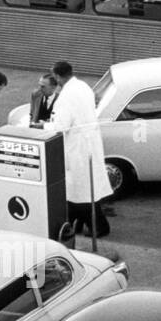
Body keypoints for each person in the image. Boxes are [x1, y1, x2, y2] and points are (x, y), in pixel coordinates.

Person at [51, 60, 113, 238]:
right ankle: (75, 223)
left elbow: (61, 126)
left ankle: (99, 227)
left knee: (79, 190)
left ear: (56, 76)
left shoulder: (66, 95)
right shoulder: (83, 86)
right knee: (83, 189)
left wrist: (44, 126)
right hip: (89, 141)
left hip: (77, 145)